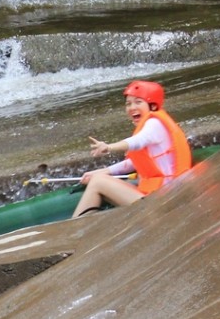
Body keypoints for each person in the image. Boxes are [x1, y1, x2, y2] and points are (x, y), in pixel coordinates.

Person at [71, 80, 192, 218]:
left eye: (138, 102)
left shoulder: (154, 124)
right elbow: (135, 163)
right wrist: (104, 171)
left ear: (152, 105)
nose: (131, 107)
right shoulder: (152, 124)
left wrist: (109, 147)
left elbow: (137, 142)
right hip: (161, 195)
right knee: (98, 178)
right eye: (128, 104)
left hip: (165, 198)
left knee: (98, 182)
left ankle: (72, 230)